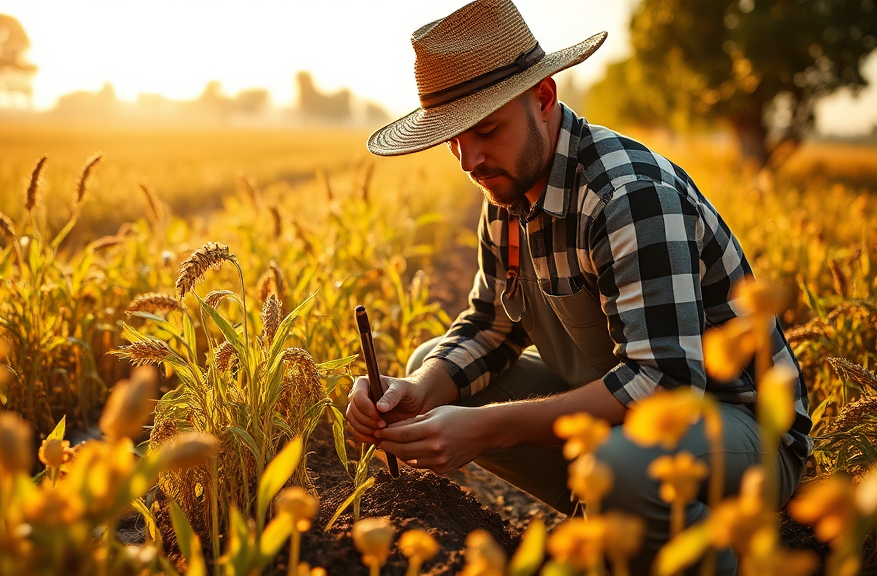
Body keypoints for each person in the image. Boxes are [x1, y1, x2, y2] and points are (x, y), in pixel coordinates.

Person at [345, 0, 812, 573]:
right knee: (437, 373)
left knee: (619, 465)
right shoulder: (507, 191)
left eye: (486, 130)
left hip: (738, 427)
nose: (469, 160)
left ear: (544, 97)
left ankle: (708, 544)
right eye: (453, 141)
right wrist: (417, 390)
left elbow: (664, 383)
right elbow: (490, 325)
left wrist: (485, 429)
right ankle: (620, 515)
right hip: (624, 419)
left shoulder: (629, 197)